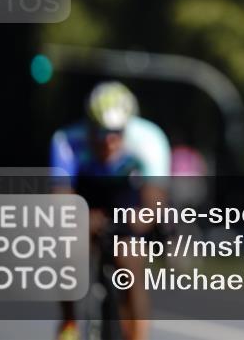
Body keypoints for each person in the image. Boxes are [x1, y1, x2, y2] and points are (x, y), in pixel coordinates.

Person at [50, 81, 171, 340]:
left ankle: (138, 335)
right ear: (88, 124)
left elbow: (154, 201)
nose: (108, 140)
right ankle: (69, 323)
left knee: (130, 260)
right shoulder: (67, 140)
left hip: (127, 198)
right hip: (86, 196)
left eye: (116, 132)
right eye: (100, 131)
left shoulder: (149, 139)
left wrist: (137, 223)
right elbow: (61, 198)